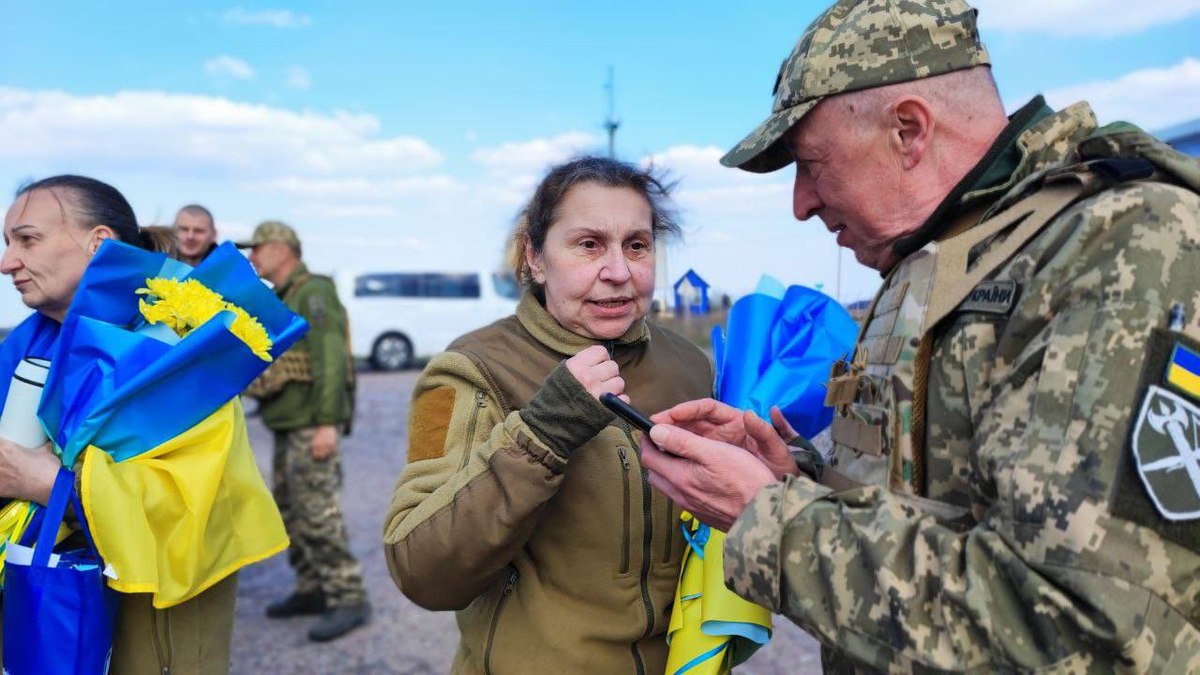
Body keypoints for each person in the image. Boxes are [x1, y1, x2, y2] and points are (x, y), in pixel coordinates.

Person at [640, 0, 1200, 672]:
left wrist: (768, 518)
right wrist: (792, 476)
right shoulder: (941, 258)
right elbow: (933, 497)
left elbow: (1080, 629)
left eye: (812, 163)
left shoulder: (1122, 245)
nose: (800, 204)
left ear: (909, 130)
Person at [383, 156, 714, 674]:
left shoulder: (690, 365)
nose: (619, 271)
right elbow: (421, 568)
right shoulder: (471, 370)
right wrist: (543, 433)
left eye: (637, 245)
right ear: (536, 259)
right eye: (588, 245)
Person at [0, 175, 252, 672]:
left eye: (27, 240)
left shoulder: (176, 348)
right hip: (41, 618)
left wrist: (47, 482)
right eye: (8, 243)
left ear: (99, 243)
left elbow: (193, 512)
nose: (7, 262)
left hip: (149, 629)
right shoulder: (27, 342)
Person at [237, 220, 369, 642]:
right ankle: (313, 589)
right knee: (292, 512)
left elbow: (330, 358)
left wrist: (328, 424)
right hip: (287, 421)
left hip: (311, 424)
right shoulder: (285, 295)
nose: (252, 256)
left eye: (257, 248)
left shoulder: (313, 291)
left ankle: (348, 597)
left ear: (282, 248)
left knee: (317, 513)